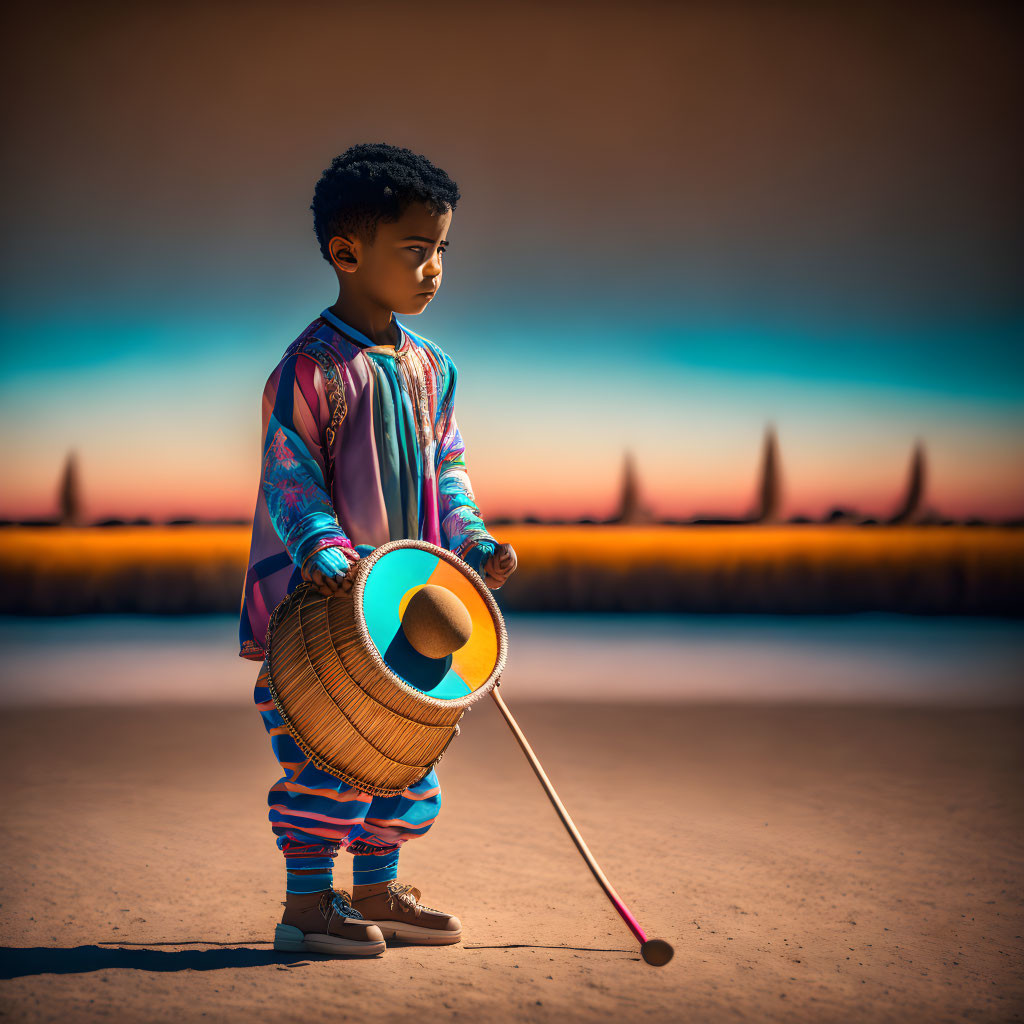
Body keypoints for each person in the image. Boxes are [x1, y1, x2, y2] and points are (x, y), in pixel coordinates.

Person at [238, 143, 517, 956]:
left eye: (441, 251)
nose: (433, 269)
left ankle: (379, 892)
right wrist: (321, 543)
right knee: (327, 755)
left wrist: (472, 540)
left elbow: (449, 467)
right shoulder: (311, 368)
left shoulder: (434, 368)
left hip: (414, 606)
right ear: (347, 252)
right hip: (328, 611)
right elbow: (289, 475)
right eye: (415, 250)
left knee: (403, 754)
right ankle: (305, 908)